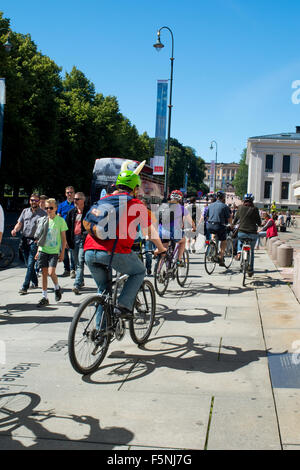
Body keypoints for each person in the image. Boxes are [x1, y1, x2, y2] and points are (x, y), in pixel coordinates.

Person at [84, 160, 167, 320]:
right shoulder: (135, 204)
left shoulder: (104, 200)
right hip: (113, 252)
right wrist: (161, 249)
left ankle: (99, 334)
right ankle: (123, 305)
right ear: (135, 188)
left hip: (89, 251)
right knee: (139, 271)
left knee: (103, 291)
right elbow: (150, 231)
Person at [35, 198, 68, 307]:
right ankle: (44, 297)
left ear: (55, 208)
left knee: (51, 272)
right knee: (44, 274)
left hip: (54, 252)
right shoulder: (43, 220)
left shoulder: (60, 221)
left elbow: (64, 239)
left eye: (51, 208)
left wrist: (62, 252)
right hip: (43, 250)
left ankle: (57, 287)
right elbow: (40, 238)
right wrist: (37, 251)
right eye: (46, 208)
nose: (48, 210)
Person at [11, 194, 46, 294]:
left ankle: (24, 287)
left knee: (31, 264)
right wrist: (15, 230)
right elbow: (20, 223)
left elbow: (44, 230)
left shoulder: (43, 214)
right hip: (24, 240)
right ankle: (34, 281)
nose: (33, 202)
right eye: (32, 200)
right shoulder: (25, 211)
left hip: (34, 241)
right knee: (28, 264)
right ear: (29, 201)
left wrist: (40, 243)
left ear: (39, 202)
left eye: (35, 200)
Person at [157, 190, 196, 265]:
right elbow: (190, 220)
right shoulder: (181, 208)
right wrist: (194, 228)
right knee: (183, 241)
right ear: (180, 199)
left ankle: (158, 273)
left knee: (164, 252)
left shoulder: (163, 206)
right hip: (174, 232)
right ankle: (178, 260)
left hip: (162, 231)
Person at [66, 192, 89, 294]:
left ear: (83, 200)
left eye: (77, 199)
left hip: (84, 239)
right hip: (73, 239)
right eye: (74, 199)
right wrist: (66, 241)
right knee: (75, 262)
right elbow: (67, 228)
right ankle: (81, 280)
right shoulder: (71, 212)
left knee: (80, 261)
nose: (74, 201)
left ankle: (77, 284)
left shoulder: (89, 212)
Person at [233, 193, 261, 276]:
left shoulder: (240, 208)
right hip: (252, 233)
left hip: (242, 232)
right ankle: (250, 269)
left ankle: (239, 252)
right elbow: (259, 223)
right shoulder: (255, 209)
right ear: (252, 201)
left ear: (244, 200)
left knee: (240, 240)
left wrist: (233, 224)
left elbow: (235, 220)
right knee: (251, 251)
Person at [206, 191, 232, 266]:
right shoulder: (224, 206)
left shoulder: (210, 205)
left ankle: (212, 243)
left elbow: (207, 217)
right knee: (223, 241)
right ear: (223, 198)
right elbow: (229, 217)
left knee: (213, 233)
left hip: (210, 225)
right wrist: (230, 225)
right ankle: (221, 257)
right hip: (220, 226)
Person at [57, 186, 75, 277]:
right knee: (63, 250)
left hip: (73, 231)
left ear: (74, 193)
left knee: (72, 252)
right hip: (62, 231)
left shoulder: (76, 204)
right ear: (65, 194)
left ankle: (73, 269)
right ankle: (66, 269)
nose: (69, 194)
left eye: (71, 192)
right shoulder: (61, 205)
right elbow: (58, 217)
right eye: (68, 192)